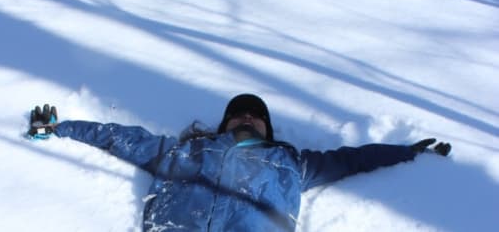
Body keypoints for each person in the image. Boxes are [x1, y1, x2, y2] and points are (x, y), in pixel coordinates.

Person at [28, 94, 451, 232]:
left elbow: (355, 159)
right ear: (224, 123)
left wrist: (410, 151)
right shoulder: (186, 152)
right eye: (239, 113)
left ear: (267, 128)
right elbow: (119, 138)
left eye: (255, 115)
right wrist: (61, 128)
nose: (247, 117)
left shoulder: (293, 164)